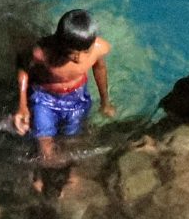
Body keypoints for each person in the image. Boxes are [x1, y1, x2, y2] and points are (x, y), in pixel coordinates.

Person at [14, 9, 114, 171]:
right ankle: (43, 175)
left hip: (77, 98)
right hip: (44, 98)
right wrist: (22, 105)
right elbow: (23, 68)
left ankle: (69, 173)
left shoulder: (98, 48)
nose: (80, 59)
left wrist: (105, 101)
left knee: (71, 139)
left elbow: (100, 69)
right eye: (72, 54)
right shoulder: (41, 53)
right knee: (44, 143)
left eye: (85, 52)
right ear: (60, 43)